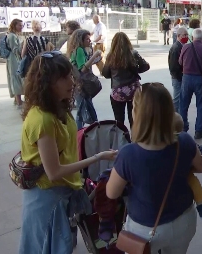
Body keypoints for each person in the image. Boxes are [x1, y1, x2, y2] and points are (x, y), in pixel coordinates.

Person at [18, 53, 117, 253]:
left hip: (62, 195)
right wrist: (97, 158)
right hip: (47, 200)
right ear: (46, 83)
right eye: (63, 78)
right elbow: (54, 172)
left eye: (70, 76)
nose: (71, 82)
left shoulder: (57, 108)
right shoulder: (43, 119)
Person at [106, 83, 202, 253]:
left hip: (144, 230)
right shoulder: (184, 141)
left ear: (137, 113)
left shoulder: (128, 154)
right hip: (183, 221)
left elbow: (111, 193)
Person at [102, 32, 150, 127]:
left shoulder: (110, 56)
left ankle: (122, 138)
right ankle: (135, 137)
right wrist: (136, 70)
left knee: (119, 119)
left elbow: (106, 74)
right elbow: (146, 66)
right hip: (133, 90)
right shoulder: (134, 54)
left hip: (117, 91)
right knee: (134, 117)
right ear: (128, 41)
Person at [179, 28, 202, 139]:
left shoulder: (185, 47)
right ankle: (199, 131)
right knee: (201, 105)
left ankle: (182, 128)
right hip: (200, 79)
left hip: (186, 78)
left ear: (192, 37)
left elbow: (180, 62)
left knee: (183, 104)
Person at [67, 29, 101, 129]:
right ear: (80, 40)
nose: (89, 41)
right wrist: (94, 56)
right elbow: (82, 68)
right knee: (83, 110)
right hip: (82, 85)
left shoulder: (78, 50)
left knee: (83, 109)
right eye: (87, 39)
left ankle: (88, 128)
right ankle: (87, 130)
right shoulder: (79, 50)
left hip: (79, 84)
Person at [168, 27, 189, 113]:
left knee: (182, 99)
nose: (186, 37)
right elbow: (173, 67)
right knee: (177, 100)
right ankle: (175, 118)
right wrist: (180, 77)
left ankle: (180, 117)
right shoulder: (176, 47)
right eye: (184, 35)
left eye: (187, 35)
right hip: (178, 78)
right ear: (179, 36)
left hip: (181, 77)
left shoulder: (182, 46)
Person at [5, 19, 24, 108]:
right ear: (14, 25)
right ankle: (19, 102)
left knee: (15, 78)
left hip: (13, 59)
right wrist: (24, 46)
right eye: (19, 25)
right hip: (14, 59)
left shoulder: (12, 35)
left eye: (22, 25)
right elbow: (15, 49)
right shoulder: (12, 36)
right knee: (15, 78)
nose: (21, 27)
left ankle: (17, 100)